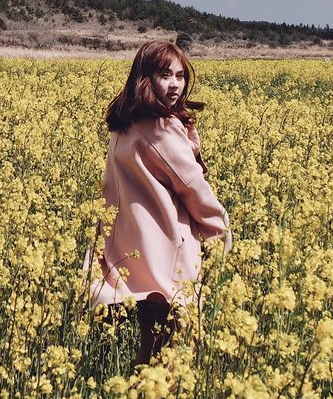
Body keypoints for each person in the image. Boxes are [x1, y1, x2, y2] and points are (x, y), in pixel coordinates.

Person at [82, 39, 233, 371]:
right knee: (174, 350)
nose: (176, 84)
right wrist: (220, 235)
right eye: (165, 74)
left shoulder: (124, 124)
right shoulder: (161, 129)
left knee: (151, 345)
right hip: (167, 252)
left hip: (133, 251)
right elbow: (193, 188)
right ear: (145, 77)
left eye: (180, 75)